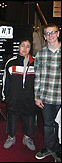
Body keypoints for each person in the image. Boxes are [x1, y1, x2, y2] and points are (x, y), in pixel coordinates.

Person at [2, 39, 38, 151]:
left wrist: (37, 97)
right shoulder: (11, 62)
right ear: (18, 47)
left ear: (30, 48)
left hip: (29, 98)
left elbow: (39, 81)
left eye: (28, 46)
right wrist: (6, 96)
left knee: (29, 118)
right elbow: (5, 81)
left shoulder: (35, 63)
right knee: (12, 117)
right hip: (14, 98)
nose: (25, 48)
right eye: (23, 46)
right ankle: (11, 137)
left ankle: (27, 138)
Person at [34, 23, 61, 162]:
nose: (50, 35)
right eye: (47, 33)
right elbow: (37, 77)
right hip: (46, 98)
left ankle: (59, 150)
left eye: (53, 32)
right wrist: (37, 97)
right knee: (48, 125)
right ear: (44, 37)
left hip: (60, 98)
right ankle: (51, 148)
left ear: (58, 33)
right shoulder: (40, 54)